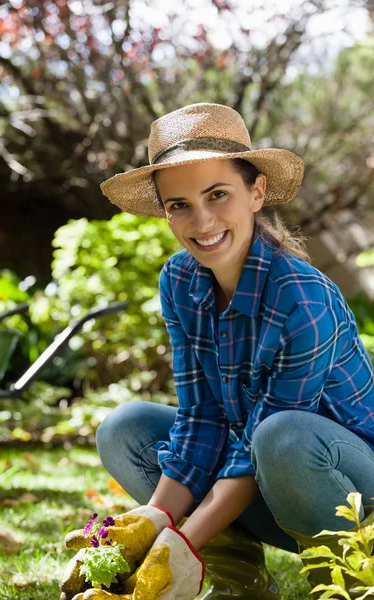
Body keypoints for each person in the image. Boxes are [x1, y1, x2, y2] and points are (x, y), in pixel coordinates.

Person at [61, 103, 374, 600]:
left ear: (257, 191)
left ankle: (349, 582)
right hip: (267, 483)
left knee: (281, 436)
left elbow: (268, 443)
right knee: (125, 429)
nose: (201, 221)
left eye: (218, 194)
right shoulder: (180, 280)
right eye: (178, 205)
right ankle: (237, 582)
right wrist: (153, 520)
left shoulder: (300, 296)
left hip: (348, 493)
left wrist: (180, 542)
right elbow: (203, 418)